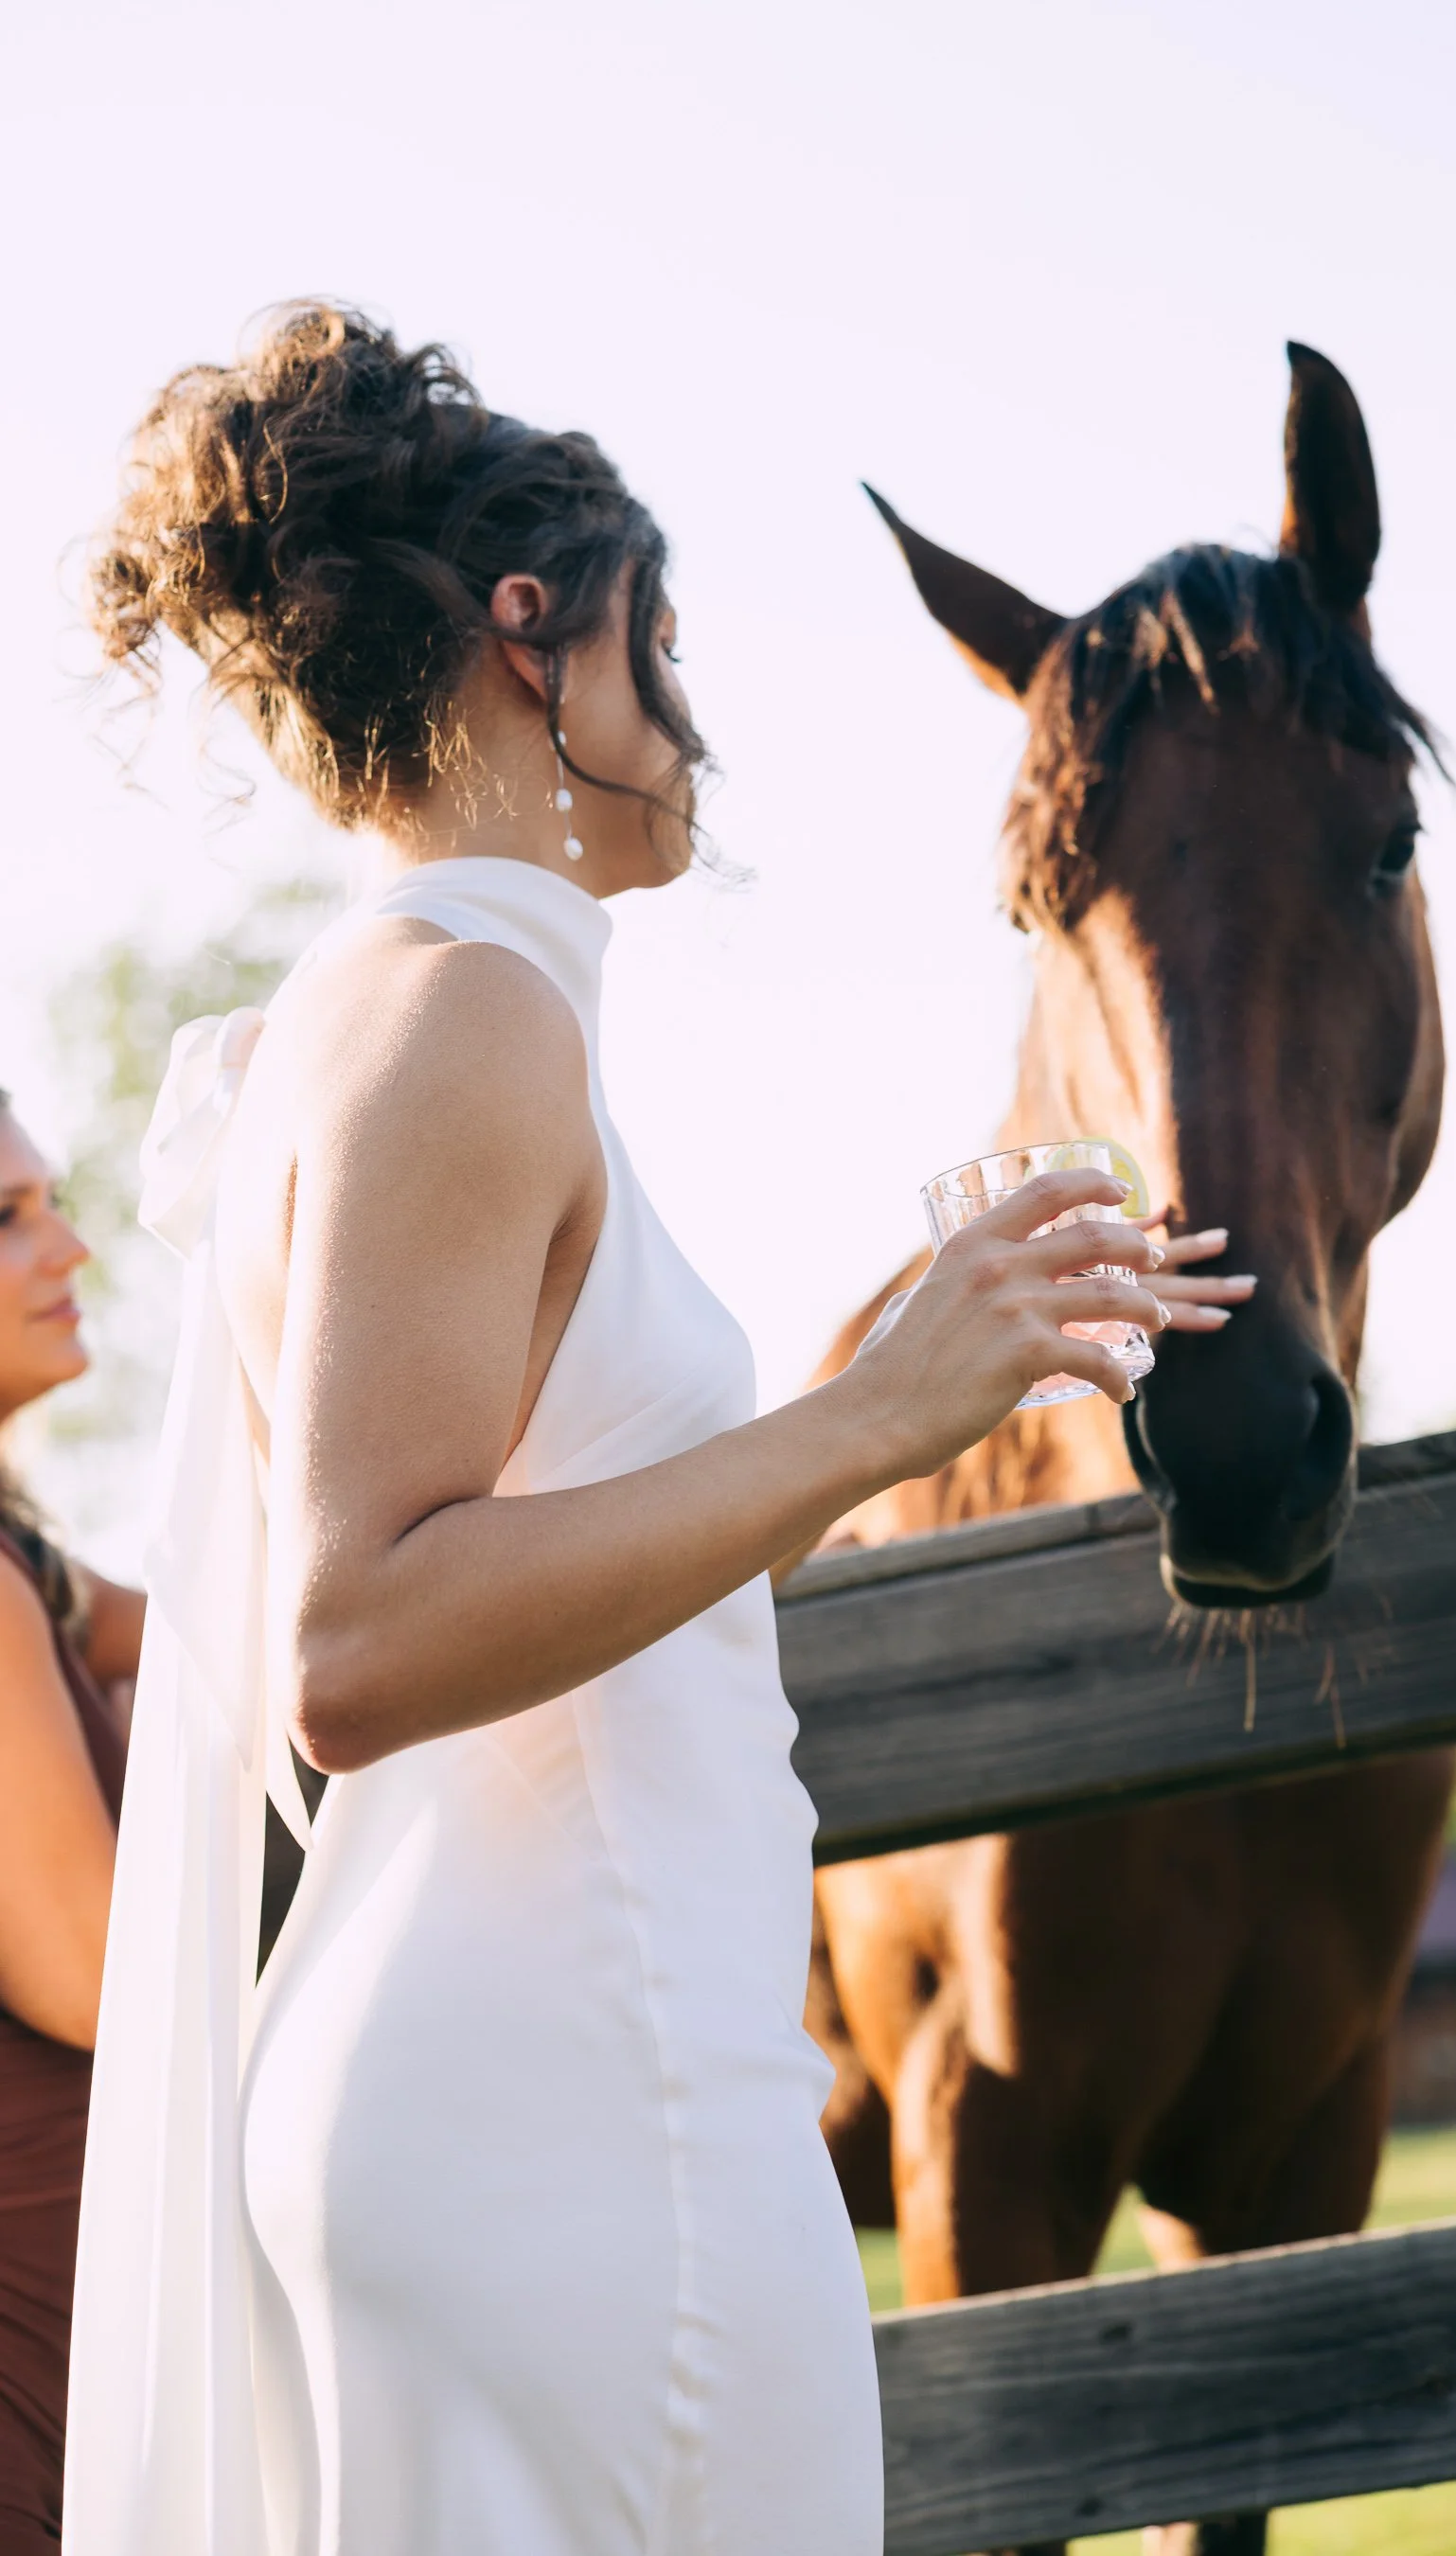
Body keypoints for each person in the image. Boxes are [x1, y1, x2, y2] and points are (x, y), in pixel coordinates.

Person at [63, 303, 1174, 2556]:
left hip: (520, 2089)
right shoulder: (465, 1016)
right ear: (534, 641)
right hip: (587, 2106)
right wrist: (881, 1416)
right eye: (665, 646)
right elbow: (356, 1644)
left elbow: (520, 1556)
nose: (695, 724)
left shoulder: (396, 1014)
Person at [0, 1097, 137, 2552]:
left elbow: (244, 1636)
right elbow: (97, 1975)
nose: (72, 1244)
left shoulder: (25, 1570)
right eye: (9, 1218)